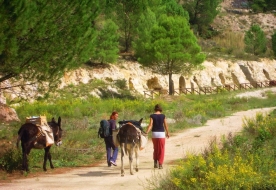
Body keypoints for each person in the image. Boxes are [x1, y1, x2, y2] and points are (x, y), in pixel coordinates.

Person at [145, 104, 169, 169]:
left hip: (154, 133)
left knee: (155, 148)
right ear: (160, 109)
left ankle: (155, 162)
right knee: (161, 149)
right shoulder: (163, 116)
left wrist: (146, 132)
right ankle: (160, 164)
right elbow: (165, 125)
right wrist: (167, 132)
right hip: (161, 133)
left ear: (155, 109)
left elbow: (150, 125)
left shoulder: (152, 116)